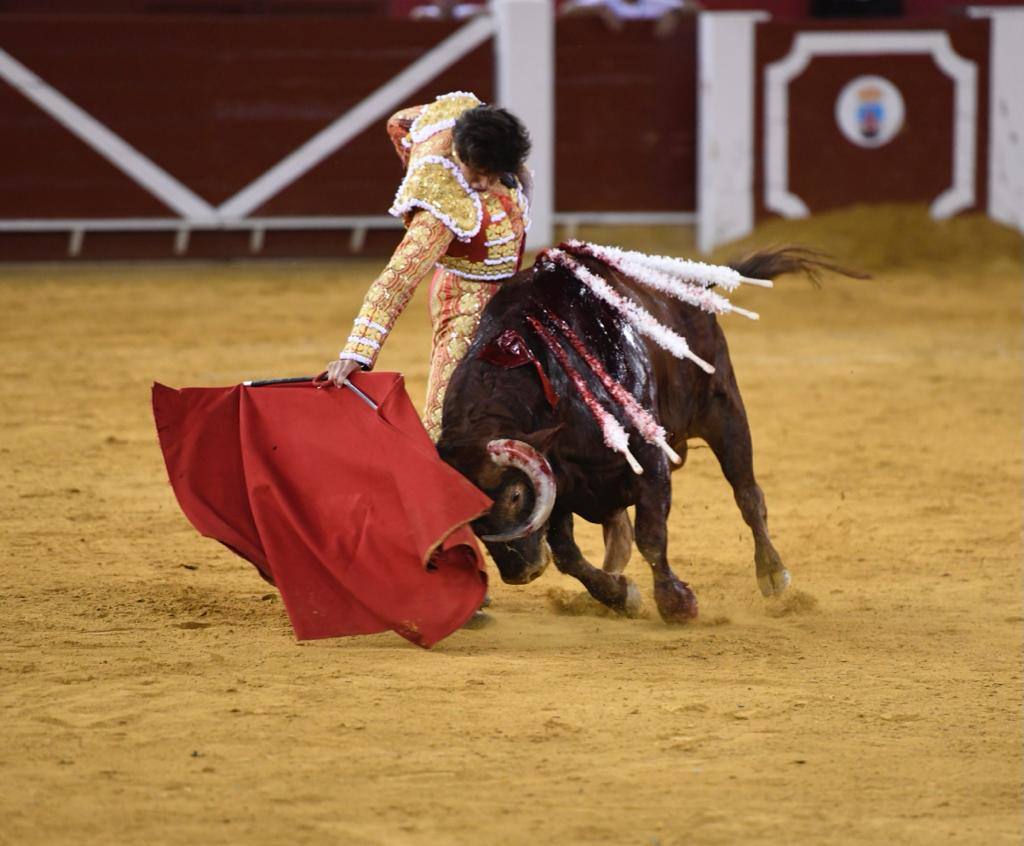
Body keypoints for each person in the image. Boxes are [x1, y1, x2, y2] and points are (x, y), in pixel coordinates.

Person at [325, 91, 533, 442]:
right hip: (465, 300)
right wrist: (358, 351)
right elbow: (397, 279)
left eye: (493, 174)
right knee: (449, 419)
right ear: (458, 153)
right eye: (476, 173)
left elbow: (401, 122)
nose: (482, 184)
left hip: (515, 292)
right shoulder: (441, 203)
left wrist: (412, 157)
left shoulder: (466, 123)